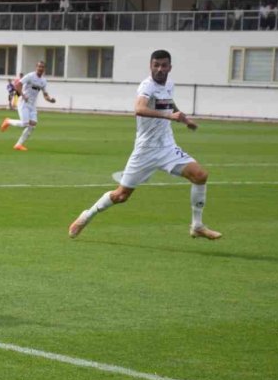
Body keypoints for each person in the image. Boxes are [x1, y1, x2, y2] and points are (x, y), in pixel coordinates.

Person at [68, 49, 222, 241]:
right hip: (145, 151)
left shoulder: (169, 84)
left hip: (167, 147)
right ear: (150, 66)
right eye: (155, 65)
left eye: (163, 65)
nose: (159, 69)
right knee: (121, 196)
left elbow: (168, 102)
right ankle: (86, 216)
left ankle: (197, 226)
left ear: (169, 67)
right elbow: (139, 109)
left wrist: (182, 117)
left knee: (200, 175)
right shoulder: (146, 87)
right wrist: (169, 116)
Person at [0, 60, 56, 151]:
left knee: (32, 126)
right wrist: (22, 95)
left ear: (44, 69)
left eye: (42, 67)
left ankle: (18, 145)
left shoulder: (43, 81)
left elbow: (45, 94)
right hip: (23, 102)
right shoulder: (30, 76)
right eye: (39, 66)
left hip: (32, 105)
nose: (40, 68)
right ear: (36, 67)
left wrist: (50, 99)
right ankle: (8, 121)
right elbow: (18, 85)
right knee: (25, 124)